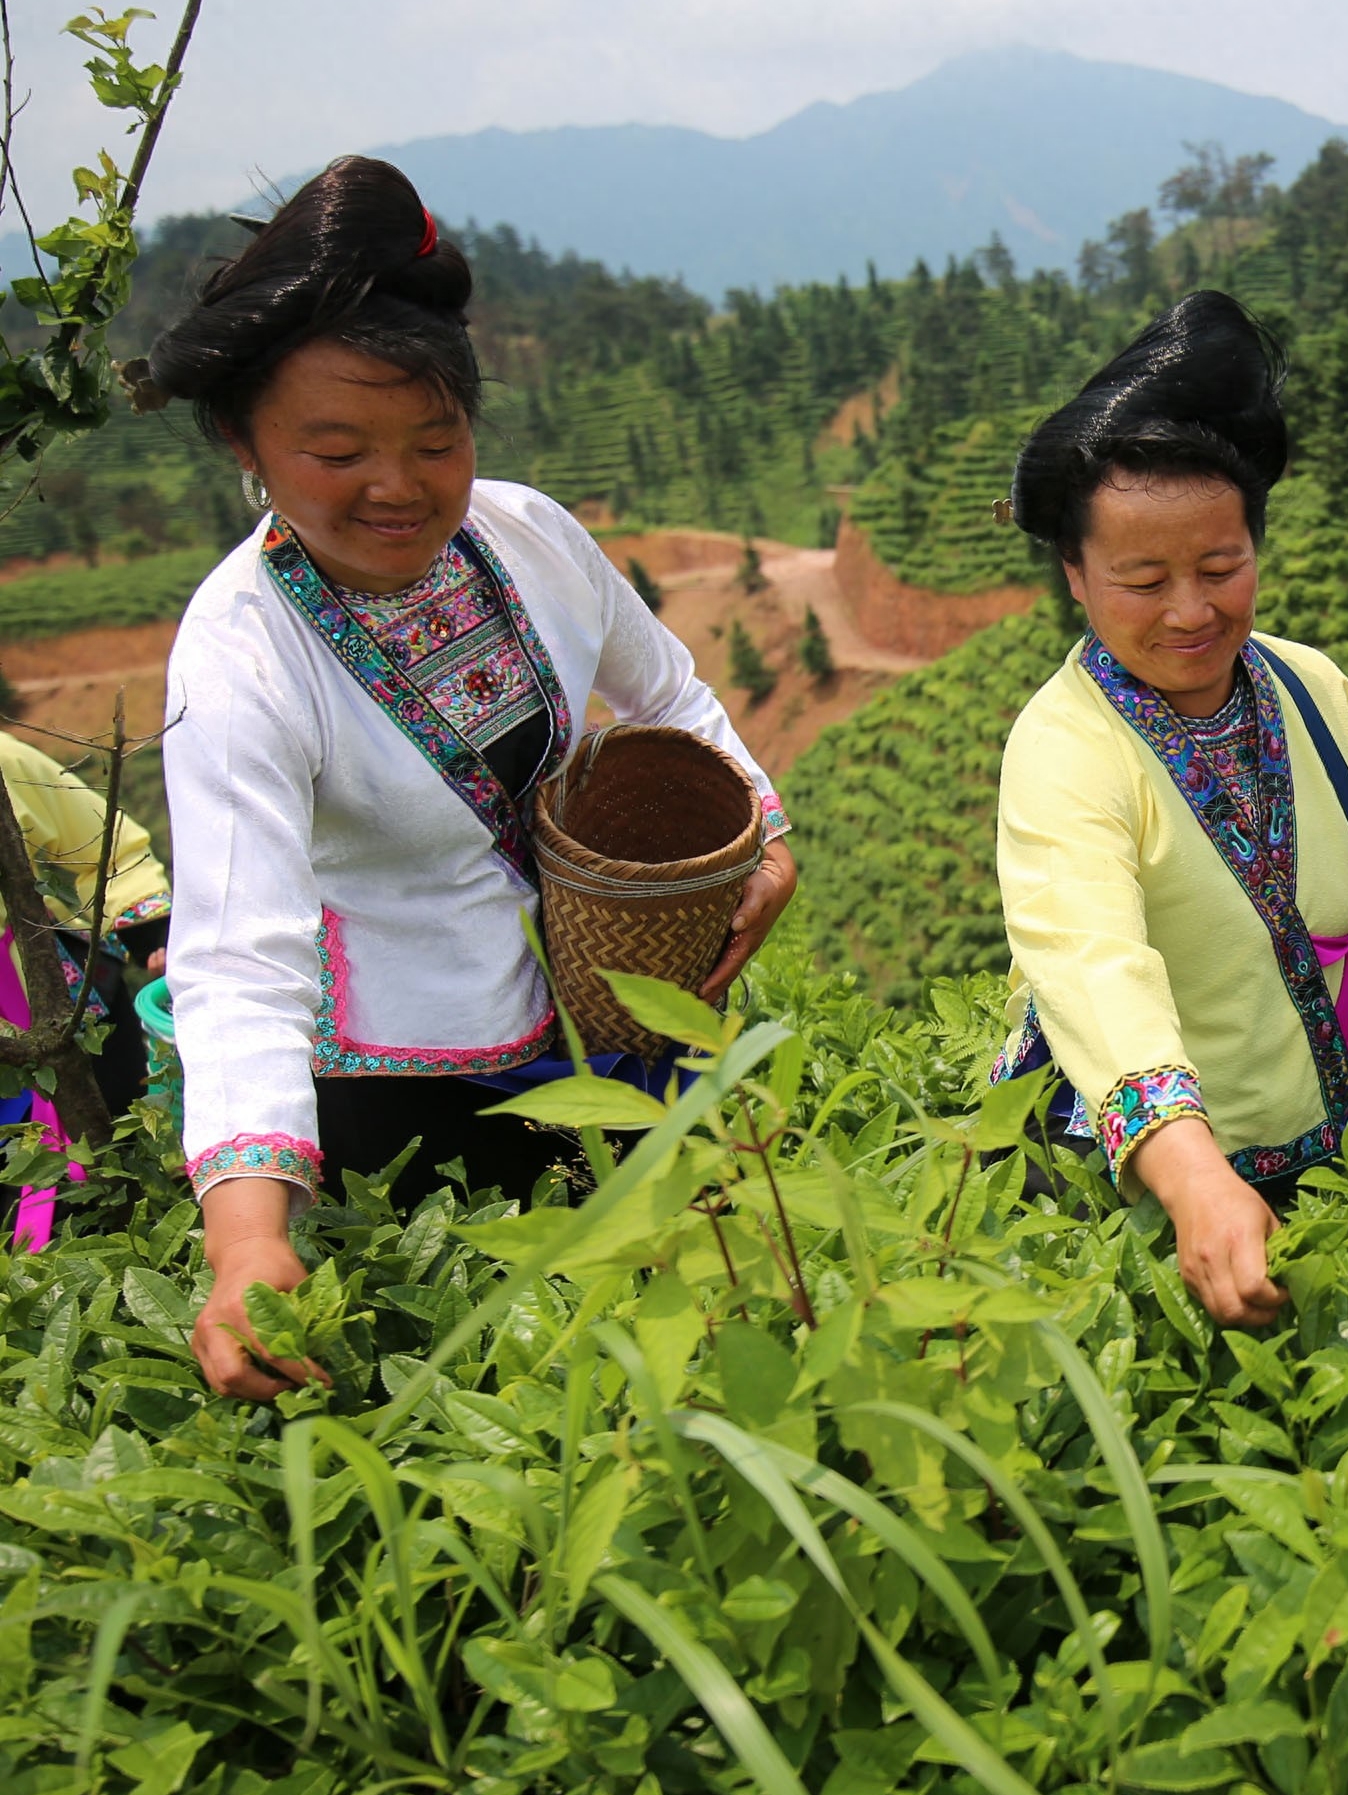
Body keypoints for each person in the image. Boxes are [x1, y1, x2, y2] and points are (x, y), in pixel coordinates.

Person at [148, 157, 798, 1398]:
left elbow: (668, 692)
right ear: (246, 441)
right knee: (492, 1395)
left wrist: (764, 829)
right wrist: (249, 1239)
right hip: (404, 1102)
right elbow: (238, 958)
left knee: (668, 1359)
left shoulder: (529, 534)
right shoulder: (241, 652)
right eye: (337, 450)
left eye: (435, 441)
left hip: (606, 1031)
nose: (398, 487)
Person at [991, 292, 1348, 1329]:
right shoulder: (1065, 749)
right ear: (1074, 574)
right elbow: (1090, 961)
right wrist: (1191, 1173)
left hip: (1326, 1145)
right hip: (1148, 1183)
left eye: (1220, 567)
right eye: (1142, 578)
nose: (1191, 611)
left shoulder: (1312, 688)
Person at [0, 731, 173, 1247]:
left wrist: (150, 935)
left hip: (52, 1006)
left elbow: (106, 845)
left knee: (109, 1180)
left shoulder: (3, 758)